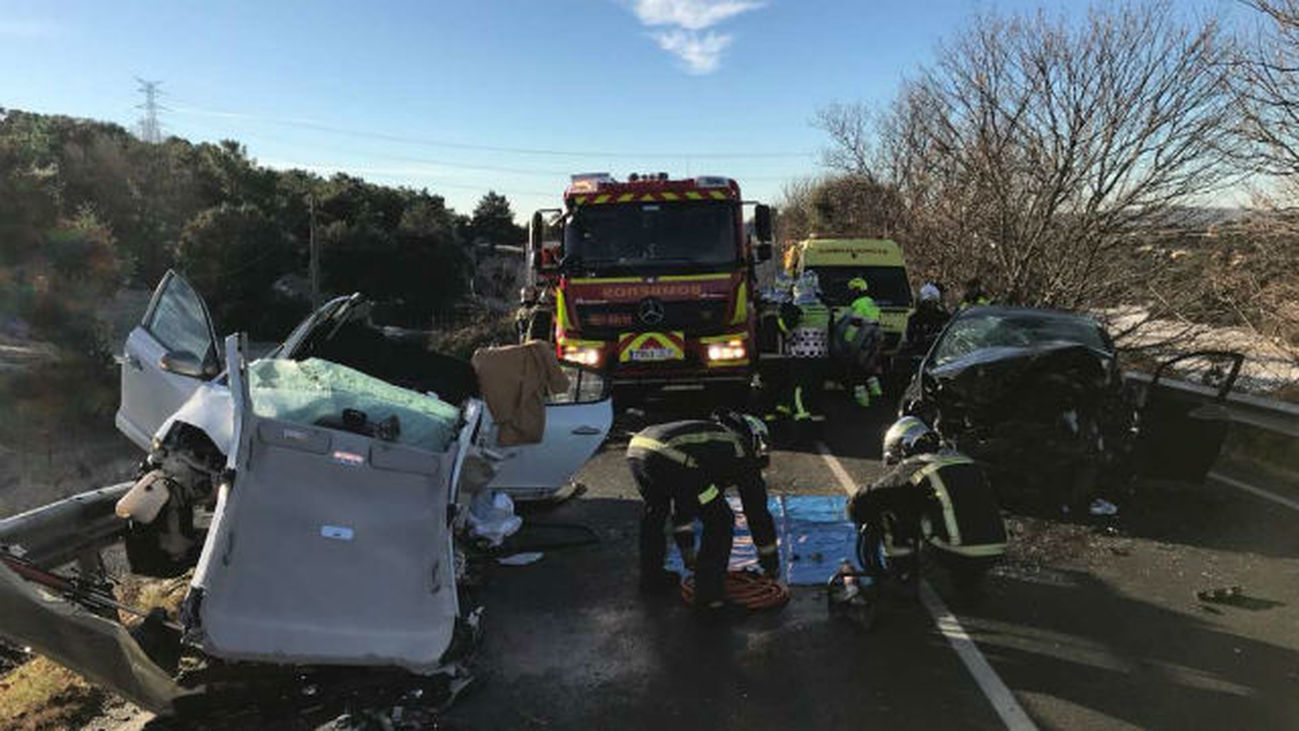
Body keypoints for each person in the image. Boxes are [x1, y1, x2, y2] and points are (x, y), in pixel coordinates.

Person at [626, 411, 780, 617]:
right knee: (721, 519)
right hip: (669, 456)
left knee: (655, 512)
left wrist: (689, 555)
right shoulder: (740, 448)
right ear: (755, 437)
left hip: (638, 449)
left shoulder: (711, 443)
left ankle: (651, 577)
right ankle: (710, 601)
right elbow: (756, 511)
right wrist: (770, 563)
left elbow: (684, 502)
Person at [846, 416, 1007, 598]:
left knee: (889, 509)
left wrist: (855, 512)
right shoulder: (964, 461)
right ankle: (968, 585)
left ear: (905, 446)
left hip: (957, 552)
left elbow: (870, 497)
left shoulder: (918, 465)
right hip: (995, 549)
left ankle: (902, 579)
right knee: (952, 509)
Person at [839, 277, 884, 407]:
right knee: (869, 370)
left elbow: (855, 322)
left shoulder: (859, 303)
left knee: (857, 372)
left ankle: (862, 403)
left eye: (852, 290)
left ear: (857, 290)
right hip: (874, 339)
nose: (850, 293)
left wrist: (847, 340)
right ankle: (877, 395)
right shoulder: (871, 302)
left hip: (862, 340)